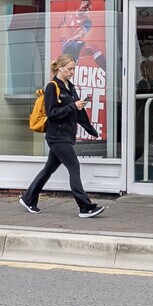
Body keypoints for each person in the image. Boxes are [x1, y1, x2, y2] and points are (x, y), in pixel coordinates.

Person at [19, 54, 103, 217]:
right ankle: (85, 207)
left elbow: (78, 111)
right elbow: (52, 113)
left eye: (74, 68)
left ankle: (28, 198)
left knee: (48, 169)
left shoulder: (70, 86)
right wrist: (73, 106)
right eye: (69, 69)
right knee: (74, 167)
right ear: (60, 68)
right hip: (57, 137)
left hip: (66, 135)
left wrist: (90, 129)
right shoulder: (52, 87)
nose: (72, 72)